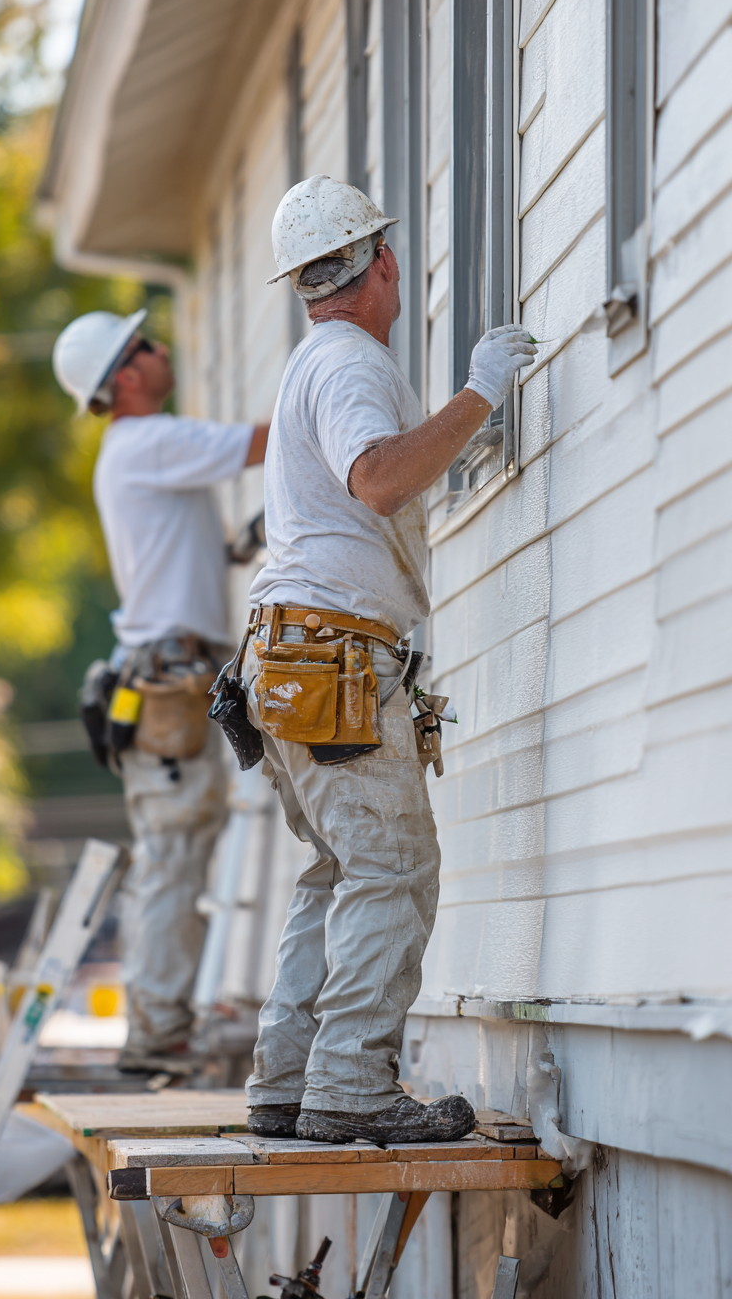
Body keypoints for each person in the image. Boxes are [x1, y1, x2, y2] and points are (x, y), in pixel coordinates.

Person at [237, 175, 537, 1143]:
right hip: (332, 655)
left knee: (340, 869)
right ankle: (350, 1088)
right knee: (394, 867)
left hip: (290, 656)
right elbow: (377, 477)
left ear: (302, 282)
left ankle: (287, 1080)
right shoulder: (351, 362)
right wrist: (481, 394)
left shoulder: (313, 362)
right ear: (386, 263)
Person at [52, 308, 269, 1072]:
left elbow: (179, 550)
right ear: (125, 375)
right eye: (146, 344)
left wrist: (236, 545)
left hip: (167, 672)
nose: (163, 348)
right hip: (169, 679)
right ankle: (155, 1034)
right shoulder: (150, 440)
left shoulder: (135, 452)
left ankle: (160, 1025)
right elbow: (266, 440)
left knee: (176, 846)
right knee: (174, 849)